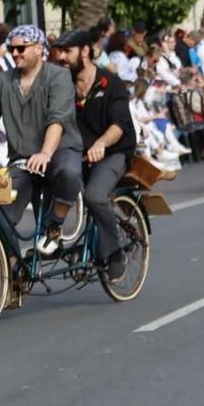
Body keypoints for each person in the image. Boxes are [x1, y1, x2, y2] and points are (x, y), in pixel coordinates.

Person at [0, 24, 85, 258]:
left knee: (69, 172)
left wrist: (44, 153)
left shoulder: (59, 76)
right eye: (11, 49)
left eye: (21, 48)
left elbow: (58, 119)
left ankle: (55, 224)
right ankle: (12, 274)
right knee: (1, 215)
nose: (15, 53)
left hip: (58, 150)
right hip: (22, 158)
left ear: (39, 49)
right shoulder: (2, 81)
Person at [59, 27, 133, 272]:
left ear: (85, 52)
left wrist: (101, 143)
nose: (61, 58)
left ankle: (115, 254)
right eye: (59, 52)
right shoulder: (63, 86)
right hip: (77, 154)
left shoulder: (111, 83)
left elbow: (119, 125)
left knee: (94, 195)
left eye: (66, 52)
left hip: (113, 153)